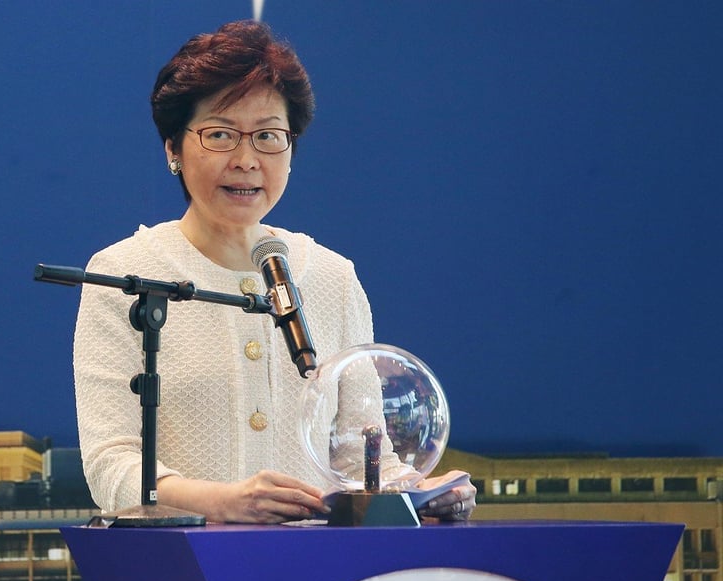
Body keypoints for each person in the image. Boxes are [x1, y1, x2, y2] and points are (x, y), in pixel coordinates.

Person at [73, 20, 476, 524]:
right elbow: (111, 464)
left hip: (317, 571)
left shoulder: (333, 277)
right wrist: (222, 503)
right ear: (173, 148)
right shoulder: (123, 273)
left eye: (268, 136)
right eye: (220, 134)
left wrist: (420, 492)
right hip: (184, 564)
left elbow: (362, 456)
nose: (246, 160)